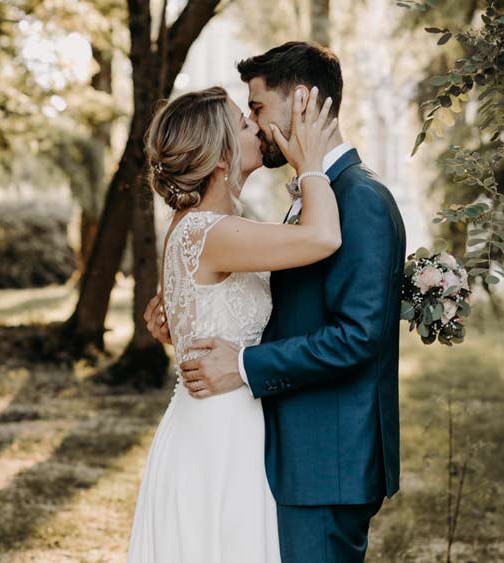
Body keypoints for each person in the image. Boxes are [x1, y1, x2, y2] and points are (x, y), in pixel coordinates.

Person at [144, 41, 407, 563]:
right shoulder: (308, 201)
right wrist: (184, 314)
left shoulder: (357, 200)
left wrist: (240, 361)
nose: (258, 126)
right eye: (247, 119)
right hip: (260, 447)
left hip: (324, 459)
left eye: (257, 110)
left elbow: (357, 335)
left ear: (304, 103)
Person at [127, 82, 341, 563]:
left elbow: (198, 318)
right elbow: (323, 237)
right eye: (245, 125)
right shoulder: (213, 232)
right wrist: (310, 166)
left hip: (217, 420)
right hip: (219, 432)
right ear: (222, 156)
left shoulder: (202, 225)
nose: (257, 129)